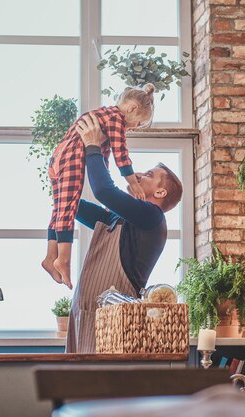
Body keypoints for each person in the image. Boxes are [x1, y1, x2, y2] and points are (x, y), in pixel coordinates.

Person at [65, 112, 183, 353]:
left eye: (149, 176)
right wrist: (64, 175)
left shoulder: (152, 217)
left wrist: (93, 146)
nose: (138, 174)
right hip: (85, 315)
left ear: (160, 194)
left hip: (114, 323)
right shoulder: (118, 218)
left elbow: (104, 191)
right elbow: (73, 206)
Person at [41, 84, 156, 290]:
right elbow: (121, 153)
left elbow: (104, 159)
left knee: (61, 208)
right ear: (132, 109)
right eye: (138, 123)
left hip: (59, 155)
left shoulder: (103, 117)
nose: (134, 128)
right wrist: (131, 181)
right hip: (71, 155)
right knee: (67, 206)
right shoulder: (115, 119)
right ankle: (64, 259)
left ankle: (51, 256)